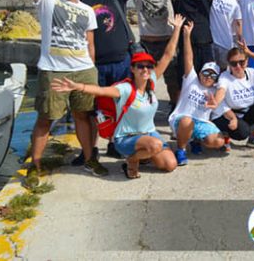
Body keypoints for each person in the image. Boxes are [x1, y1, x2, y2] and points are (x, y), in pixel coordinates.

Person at [20, 0, 106, 179]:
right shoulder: (47, 0)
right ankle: (35, 165)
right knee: (45, 119)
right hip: (54, 70)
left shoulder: (87, 10)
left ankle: (90, 159)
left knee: (84, 116)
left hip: (83, 70)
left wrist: (90, 68)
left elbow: (90, 43)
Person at [51, 15, 185, 179]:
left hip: (149, 135)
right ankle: (132, 159)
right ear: (133, 69)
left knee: (170, 165)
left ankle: (144, 154)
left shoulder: (151, 81)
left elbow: (167, 55)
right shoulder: (125, 89)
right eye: (140, 66)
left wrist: (177, 28)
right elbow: (100, 91)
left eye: (149, 66)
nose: (145, 69)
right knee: (156, 145)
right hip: (126, 138)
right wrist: (76, 86)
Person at [73, 0, 145, 160]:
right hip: (92, 66)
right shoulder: (81, 1)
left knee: (121, 108)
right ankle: (90, 150)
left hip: (120, 63)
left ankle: (117, 144)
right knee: (91, 111)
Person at [167, 21, 226, 165]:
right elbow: (188, 57)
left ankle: (195, 140)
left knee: (218, 141)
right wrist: (187, 35)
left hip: (201, 122)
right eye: (206, 73)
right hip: (182, 118)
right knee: (187, 121)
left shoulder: (215, 90)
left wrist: (216, 101)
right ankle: (181, 149)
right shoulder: (191, 80)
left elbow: (225, 86)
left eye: (212, 76)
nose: (208, 77)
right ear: (199, 73)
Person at [133, 0, 179, 106]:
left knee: (172, 80)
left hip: (166, 41)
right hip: (146, 43)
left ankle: (174, 107)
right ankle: (143, 104)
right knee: (143, 77)